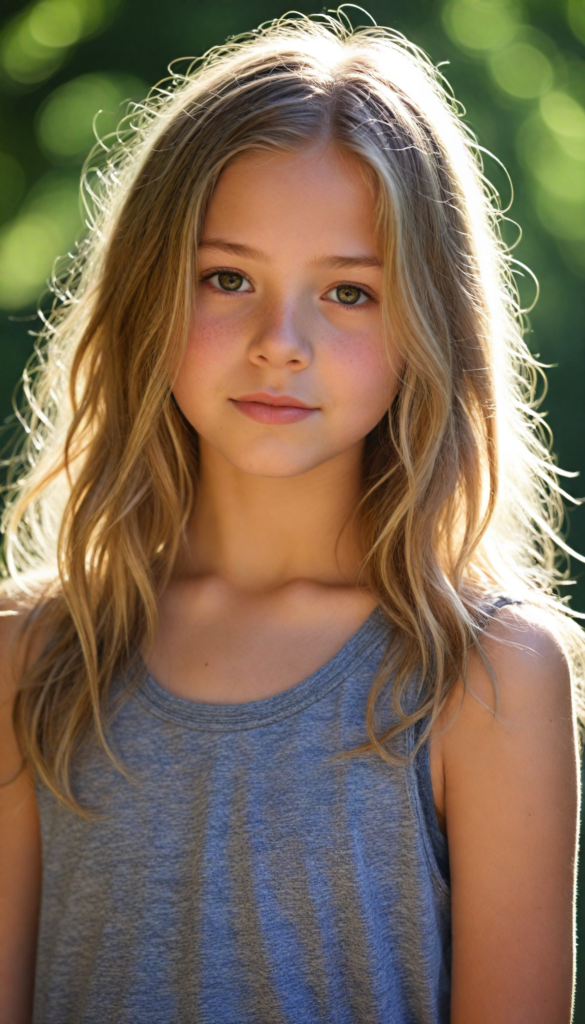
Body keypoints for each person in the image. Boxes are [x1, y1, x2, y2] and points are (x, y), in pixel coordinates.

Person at [0, 12, 582, 1024]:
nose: (282, 342)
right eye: (228, 278)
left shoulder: (486, 677)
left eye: (350, 293)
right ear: (148, 297)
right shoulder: (35, 659)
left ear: (428, 326)